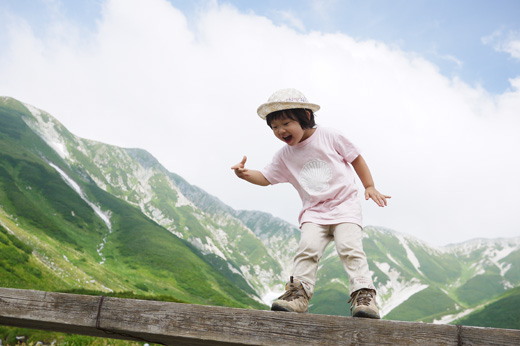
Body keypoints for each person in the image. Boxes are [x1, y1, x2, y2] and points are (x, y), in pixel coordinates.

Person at [231, 88, 390, 318]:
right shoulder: (284, 155)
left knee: (349, 248)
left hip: (345, 206)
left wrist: (369, 186)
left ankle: (364, 296)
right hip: (314, 212)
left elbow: (356, 158)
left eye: (286, 123)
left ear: (305, 116)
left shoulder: (329, 136)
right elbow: (266, 178)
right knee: (307, 249)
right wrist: (244, 174)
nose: (280, 131)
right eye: (274, 127)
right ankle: (298, 296)